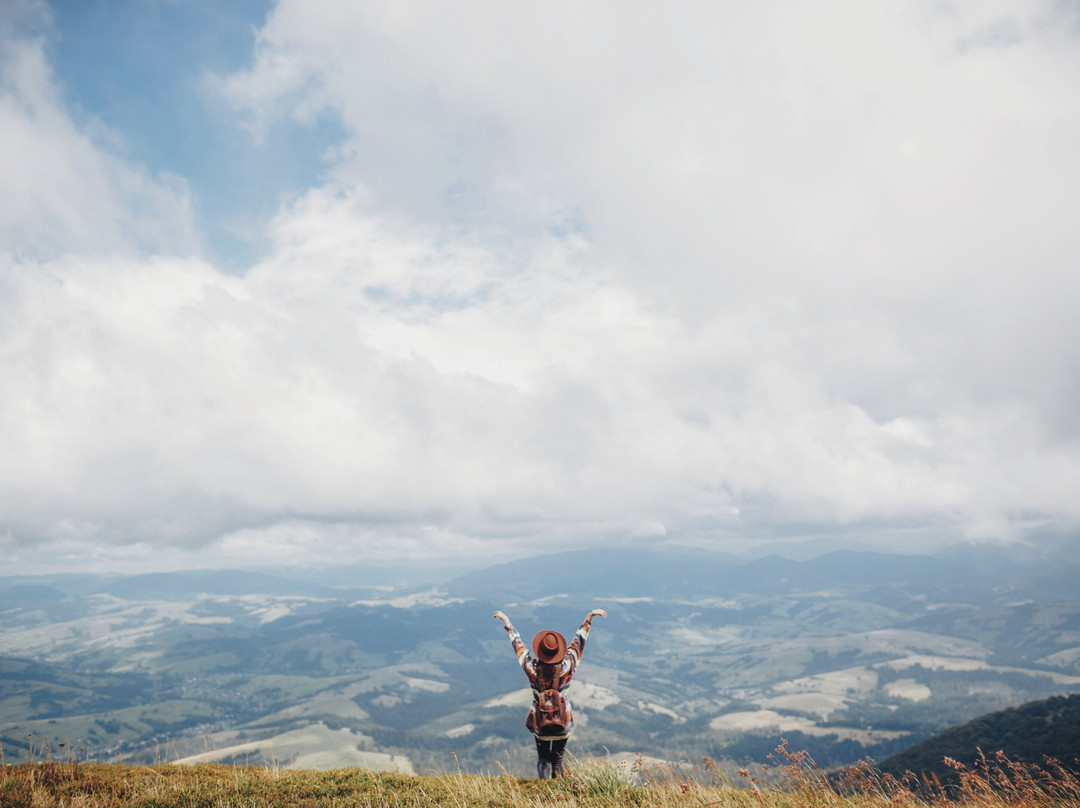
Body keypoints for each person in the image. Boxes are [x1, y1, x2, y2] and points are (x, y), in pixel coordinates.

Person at [493, 607, 607, 779]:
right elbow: (578, 643)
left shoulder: (532, 669)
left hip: (541, 722)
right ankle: (558, 795)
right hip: (563, 721)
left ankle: (544, 792)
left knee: (543, 759)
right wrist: (589, 618)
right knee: (558, 761)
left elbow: (518, 647)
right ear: (558, 651)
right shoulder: (567, 666)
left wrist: (507, 622)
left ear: (541, 651)